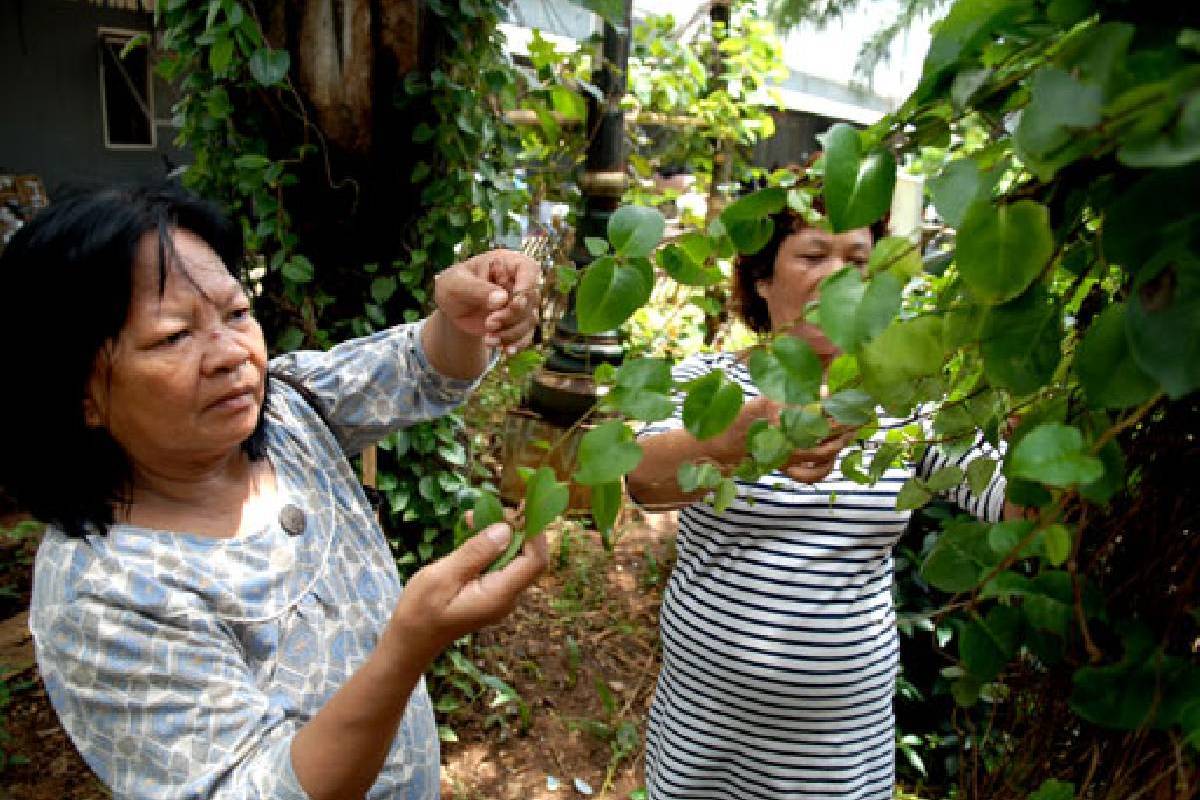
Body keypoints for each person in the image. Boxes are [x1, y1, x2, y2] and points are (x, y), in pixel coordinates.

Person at [0, 183, 549, 799]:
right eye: (175, 336)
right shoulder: (106, 593)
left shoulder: (287, 413)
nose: (233, 354)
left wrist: (463, 319)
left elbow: (419, 369)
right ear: (77, 392)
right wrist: (406, 651)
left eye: (236, 314)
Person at [628, 205, 1008, 800]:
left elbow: (1009, 497)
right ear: (761, 277)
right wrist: (734, 437)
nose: (837, 277)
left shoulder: (903, 398)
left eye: (856, 260)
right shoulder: (709, 384)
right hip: (704, 723)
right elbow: (642, 480)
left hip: (834, 744)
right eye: (813, 254)